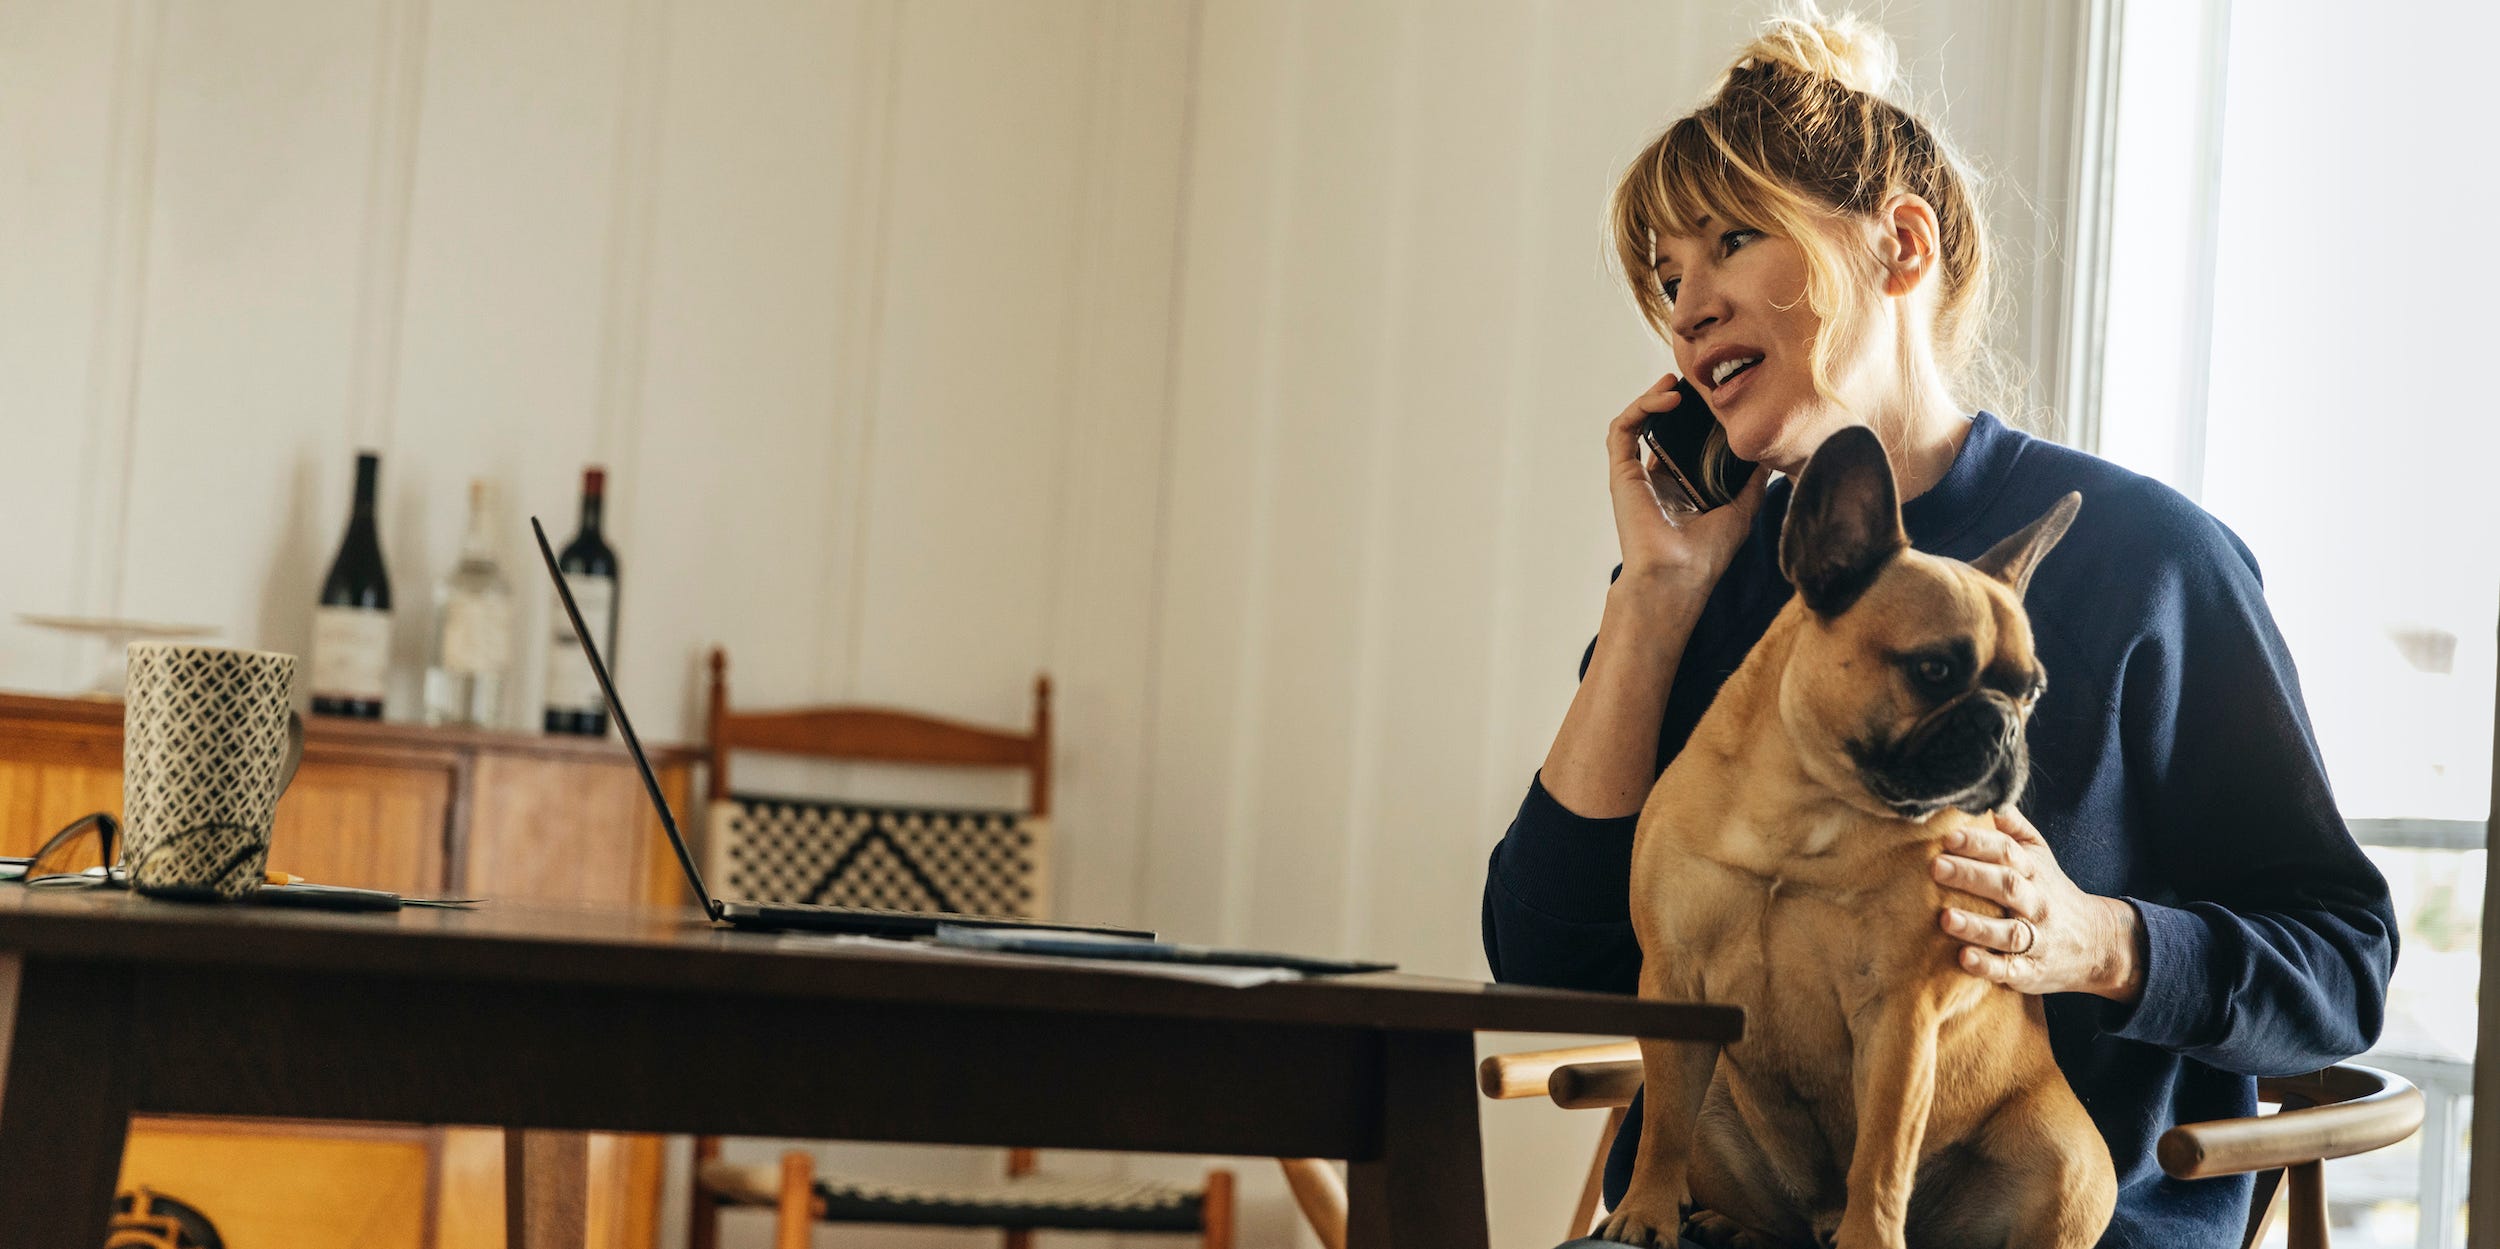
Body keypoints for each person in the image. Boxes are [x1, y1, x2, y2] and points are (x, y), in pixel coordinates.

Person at [1485, 7, 2398, 1248]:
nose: (1683, 307)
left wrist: (2095, 940)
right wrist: (1652, 596)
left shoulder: (2154, 562)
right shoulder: (1715, 573)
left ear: (1899, 245)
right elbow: (1547, 958)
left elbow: (2340, 966)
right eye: (1663, 273)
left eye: (1731, 242)